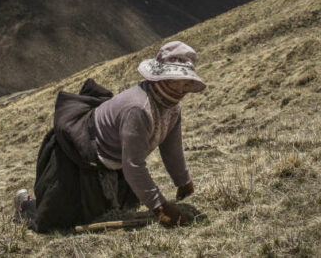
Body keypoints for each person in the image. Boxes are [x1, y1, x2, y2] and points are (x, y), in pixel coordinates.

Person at [15, 41, 205, 232]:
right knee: (55, 222)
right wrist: (160, 207)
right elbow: (134, 164)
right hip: (78, 154)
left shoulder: (171, 108)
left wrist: (184, 183)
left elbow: (171, 147)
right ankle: (25, 205)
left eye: (186, 83)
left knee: (106, 211)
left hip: (113, 162)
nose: (181, 90)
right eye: (174, 80)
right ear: (160, 77)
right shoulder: (138, 109)